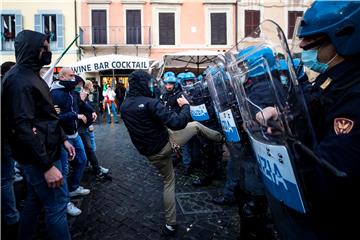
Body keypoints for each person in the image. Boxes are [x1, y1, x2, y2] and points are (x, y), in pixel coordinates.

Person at [257, 1, 360, 239]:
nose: (303, 45)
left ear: (343, 39)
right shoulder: (329, 81)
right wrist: (284, 119)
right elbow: (311, 113)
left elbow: (331, 176)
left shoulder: (353, 94)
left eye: (313, 40)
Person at [120, 70, 224, 236]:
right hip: (164, 146)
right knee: (195, 125)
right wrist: (185, 106)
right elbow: (178, 123)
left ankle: (170, 224)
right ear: (143, 84)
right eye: (148, 83)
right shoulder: (150, 103)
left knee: (169, 182)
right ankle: (221, 138)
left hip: (149, 153)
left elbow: (146, 126)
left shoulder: (124, 106)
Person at [2, 30, 75, 240]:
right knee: (57, 205)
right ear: (33, 50)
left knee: (35, 200)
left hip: (48, 151)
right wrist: (47, 166)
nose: (49, 51)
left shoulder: (31, 76)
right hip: (41, 159)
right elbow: (22, 127)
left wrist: (62, 139)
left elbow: (46, 116)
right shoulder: (18, 80)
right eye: (45, 47)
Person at [51, 67, 91, 217]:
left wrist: (89, 110)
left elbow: (79, 105)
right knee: (64, 170)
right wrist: (76, 116)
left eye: (74, 75)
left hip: (75, 134)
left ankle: (73, 188)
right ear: (61, 77)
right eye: (71, 75)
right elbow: (55, 119)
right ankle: (65, 201)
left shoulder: (72, 92)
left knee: (82, 160)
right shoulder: (54, 94)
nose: (74, 78)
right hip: (63, 138)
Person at [1, 61, 21, 238]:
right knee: (6, 180)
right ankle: (11, 217)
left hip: (7, 140)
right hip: (5, 141)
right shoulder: (6, 90)